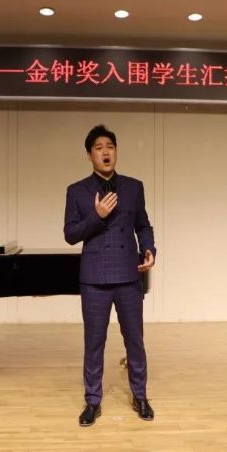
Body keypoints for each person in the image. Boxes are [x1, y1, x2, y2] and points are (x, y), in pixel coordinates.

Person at [64, 124, 157, 426]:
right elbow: (70, 235)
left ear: (116, 152)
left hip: (129, 275)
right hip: (94, 279)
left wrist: (149, 248)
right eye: (99, 148)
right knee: (94, 343)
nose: (105, 152)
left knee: (135, 341)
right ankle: (92, 401)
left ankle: (140, 396)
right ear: (89, 155)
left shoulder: (133, 187)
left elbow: (143, 225)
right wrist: (97, 216)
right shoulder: (77, 191)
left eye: (110, 147)